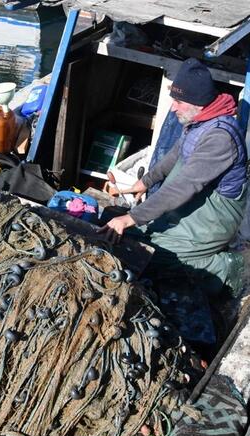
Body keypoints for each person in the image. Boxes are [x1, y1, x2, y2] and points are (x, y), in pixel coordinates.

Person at [99, 58, 248, 295]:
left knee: (156, 258)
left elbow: (183, 187)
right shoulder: (198, 121)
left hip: (215, 217)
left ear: (197, 103)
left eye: (178, 102)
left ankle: (227, 268)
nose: (173, 108)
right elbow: (176, 154)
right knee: (136, 239)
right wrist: (145, 182)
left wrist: (131, 217)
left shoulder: (221, 137)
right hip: (194, 203)